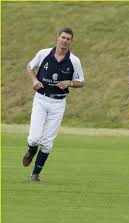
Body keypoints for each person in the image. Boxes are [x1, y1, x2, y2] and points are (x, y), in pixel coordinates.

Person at [22, 27, 85, 182]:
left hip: (58, 103)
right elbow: (30, 67)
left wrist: (70, 82)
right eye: (63, 37)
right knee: (34, 139)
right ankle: (31, 150)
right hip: (41, 99)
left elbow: (81, 82)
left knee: (47, 142)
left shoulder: (74, 60)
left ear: (71, 41)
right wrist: (34, 80)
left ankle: (35, 173)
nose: (65, 41)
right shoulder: (43, 53)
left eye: (68, 39)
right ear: (58, 38)